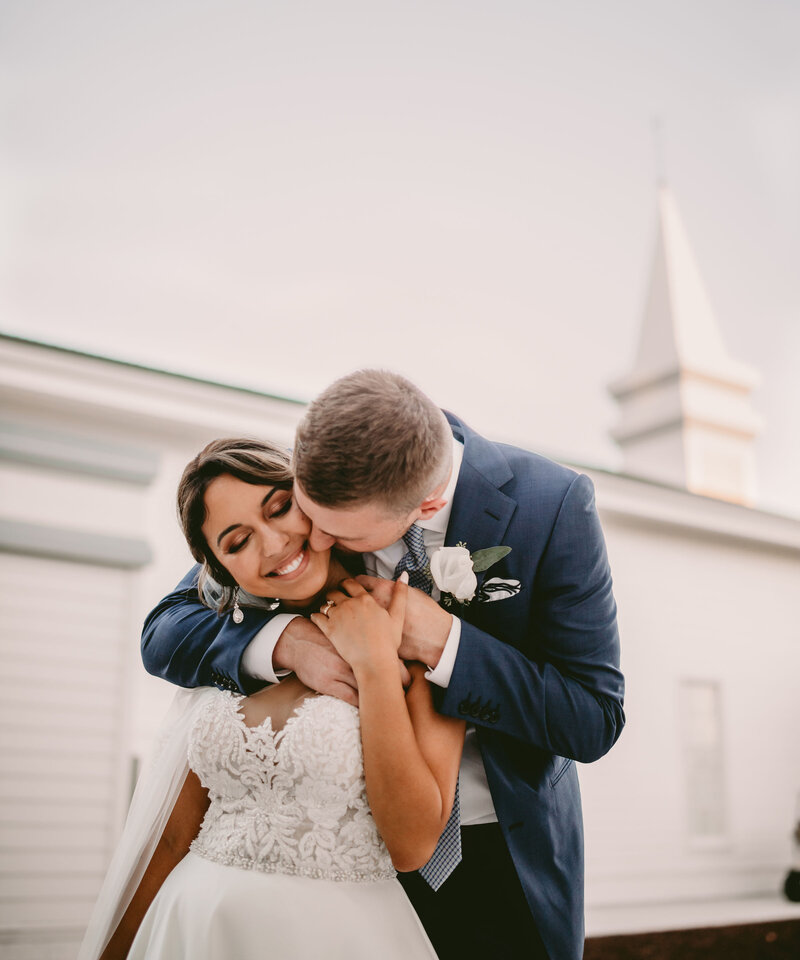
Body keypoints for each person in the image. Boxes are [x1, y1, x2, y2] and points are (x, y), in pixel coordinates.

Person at [142, 371, 626, 960]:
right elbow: (167, 625)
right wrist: (287, 640)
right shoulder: (326, 479)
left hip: (506, 849)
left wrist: (448, 642)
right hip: (345, 869)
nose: (308, 539)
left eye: (333, 530)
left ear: (424, 505)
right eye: (304, 510)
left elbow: (592, 717)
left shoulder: (552, 506)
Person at [80, 438, 464, 960]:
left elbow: (412, 847)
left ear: (311, 498)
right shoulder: (230, 647)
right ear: (218, 569)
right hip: (192, 927)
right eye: (237, 542)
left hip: (333, 938)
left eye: (279, 509)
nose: (273, 543)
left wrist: (374, 665)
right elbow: (172, 839)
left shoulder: (414, 627)